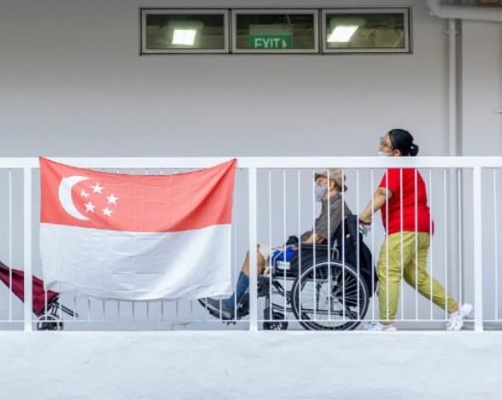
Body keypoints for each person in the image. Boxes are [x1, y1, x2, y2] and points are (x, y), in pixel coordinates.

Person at [199, 168, 351, 320]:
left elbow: (317, 239)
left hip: (308, 255)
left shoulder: (335, 207)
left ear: (330, 185)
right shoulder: (333, 206)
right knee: (256, 251)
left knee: (255, 255)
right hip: (310, 253)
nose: (316, 188)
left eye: (319, 183)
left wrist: (295, 246)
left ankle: (231, 306)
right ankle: (234, 304)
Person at [358, 129, 472, 331]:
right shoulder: (410, 169)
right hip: (422, 229)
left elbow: (383, 193)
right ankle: (456, 308)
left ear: (396, 153)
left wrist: (364, 216)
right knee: (415, 275)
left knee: (387, 270)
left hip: (404, 227)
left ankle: (386, 325)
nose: (379, 148)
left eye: (384, 144)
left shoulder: (397, 167)